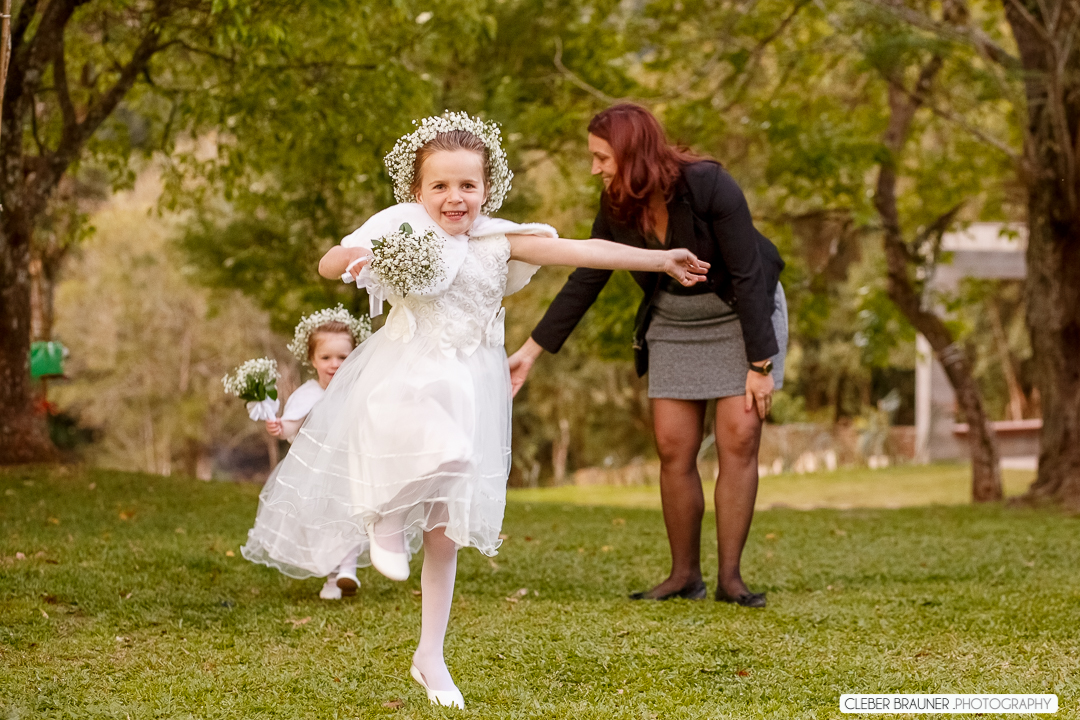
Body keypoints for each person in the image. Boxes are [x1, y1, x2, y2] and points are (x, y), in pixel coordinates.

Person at [241, 111, 710, 709]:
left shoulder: (498, 239)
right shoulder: (401, 226)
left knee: (446, 530)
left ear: (487, 188)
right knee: (453, 454)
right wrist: (357, 260)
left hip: (472, 385)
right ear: (417, 189)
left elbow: (585, 249)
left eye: (468, 185)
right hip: (405, 380)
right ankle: (383, 518)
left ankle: (429, 654)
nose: (454, 197)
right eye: (440, 185)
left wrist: (662, 258)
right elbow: (330, 262)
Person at [508, 104, 787, 608]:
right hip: (675, 324)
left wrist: (760, 364)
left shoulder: (709, 185)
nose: (595, 168)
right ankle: (684, 576)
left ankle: (731, 581)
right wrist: (531, 351)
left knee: (739, 440)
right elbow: (586, 276)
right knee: (673, 449)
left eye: (601, 156)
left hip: (739, 317)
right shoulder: (617, 204)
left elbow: (747, 275)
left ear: (631, 152)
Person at [260, 306, 369, 599]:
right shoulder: (309, 394)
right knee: (324, 524)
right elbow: (290, 425)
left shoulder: (357, 391)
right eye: (326, 358)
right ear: (312, 360)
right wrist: (278, 427)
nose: (334, 364)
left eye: (343, 357)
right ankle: (334, 577)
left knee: (352, 516)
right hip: (316, 472)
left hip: (350, 467)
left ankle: (348, 570)